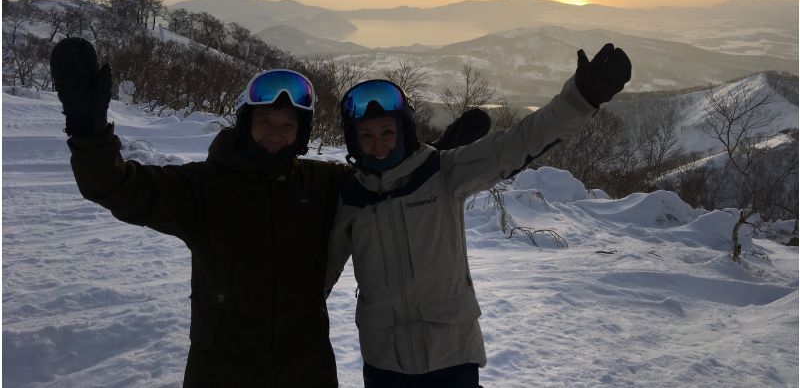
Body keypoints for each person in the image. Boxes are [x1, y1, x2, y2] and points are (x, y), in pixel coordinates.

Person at [49, 37, 491, 387]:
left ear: (300, 134)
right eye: (265, 123)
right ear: (246, 125)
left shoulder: (321, 184)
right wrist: (88, 132)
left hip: (307, 371)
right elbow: (114, 186)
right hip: (222, 371)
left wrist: (431, 154)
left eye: (287, 126)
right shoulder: (203, 187)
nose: (275, 135)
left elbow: (383, 184)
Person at [325, 44, 632, 388]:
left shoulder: (442, 173)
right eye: (366, 135)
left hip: (451, 355)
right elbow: (316, 276)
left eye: (387, 132)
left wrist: (579, 100)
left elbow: (516, 143)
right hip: (384, 362)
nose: (378, 144)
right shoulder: (349, 199)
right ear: (353, 141)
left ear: (404, 130)